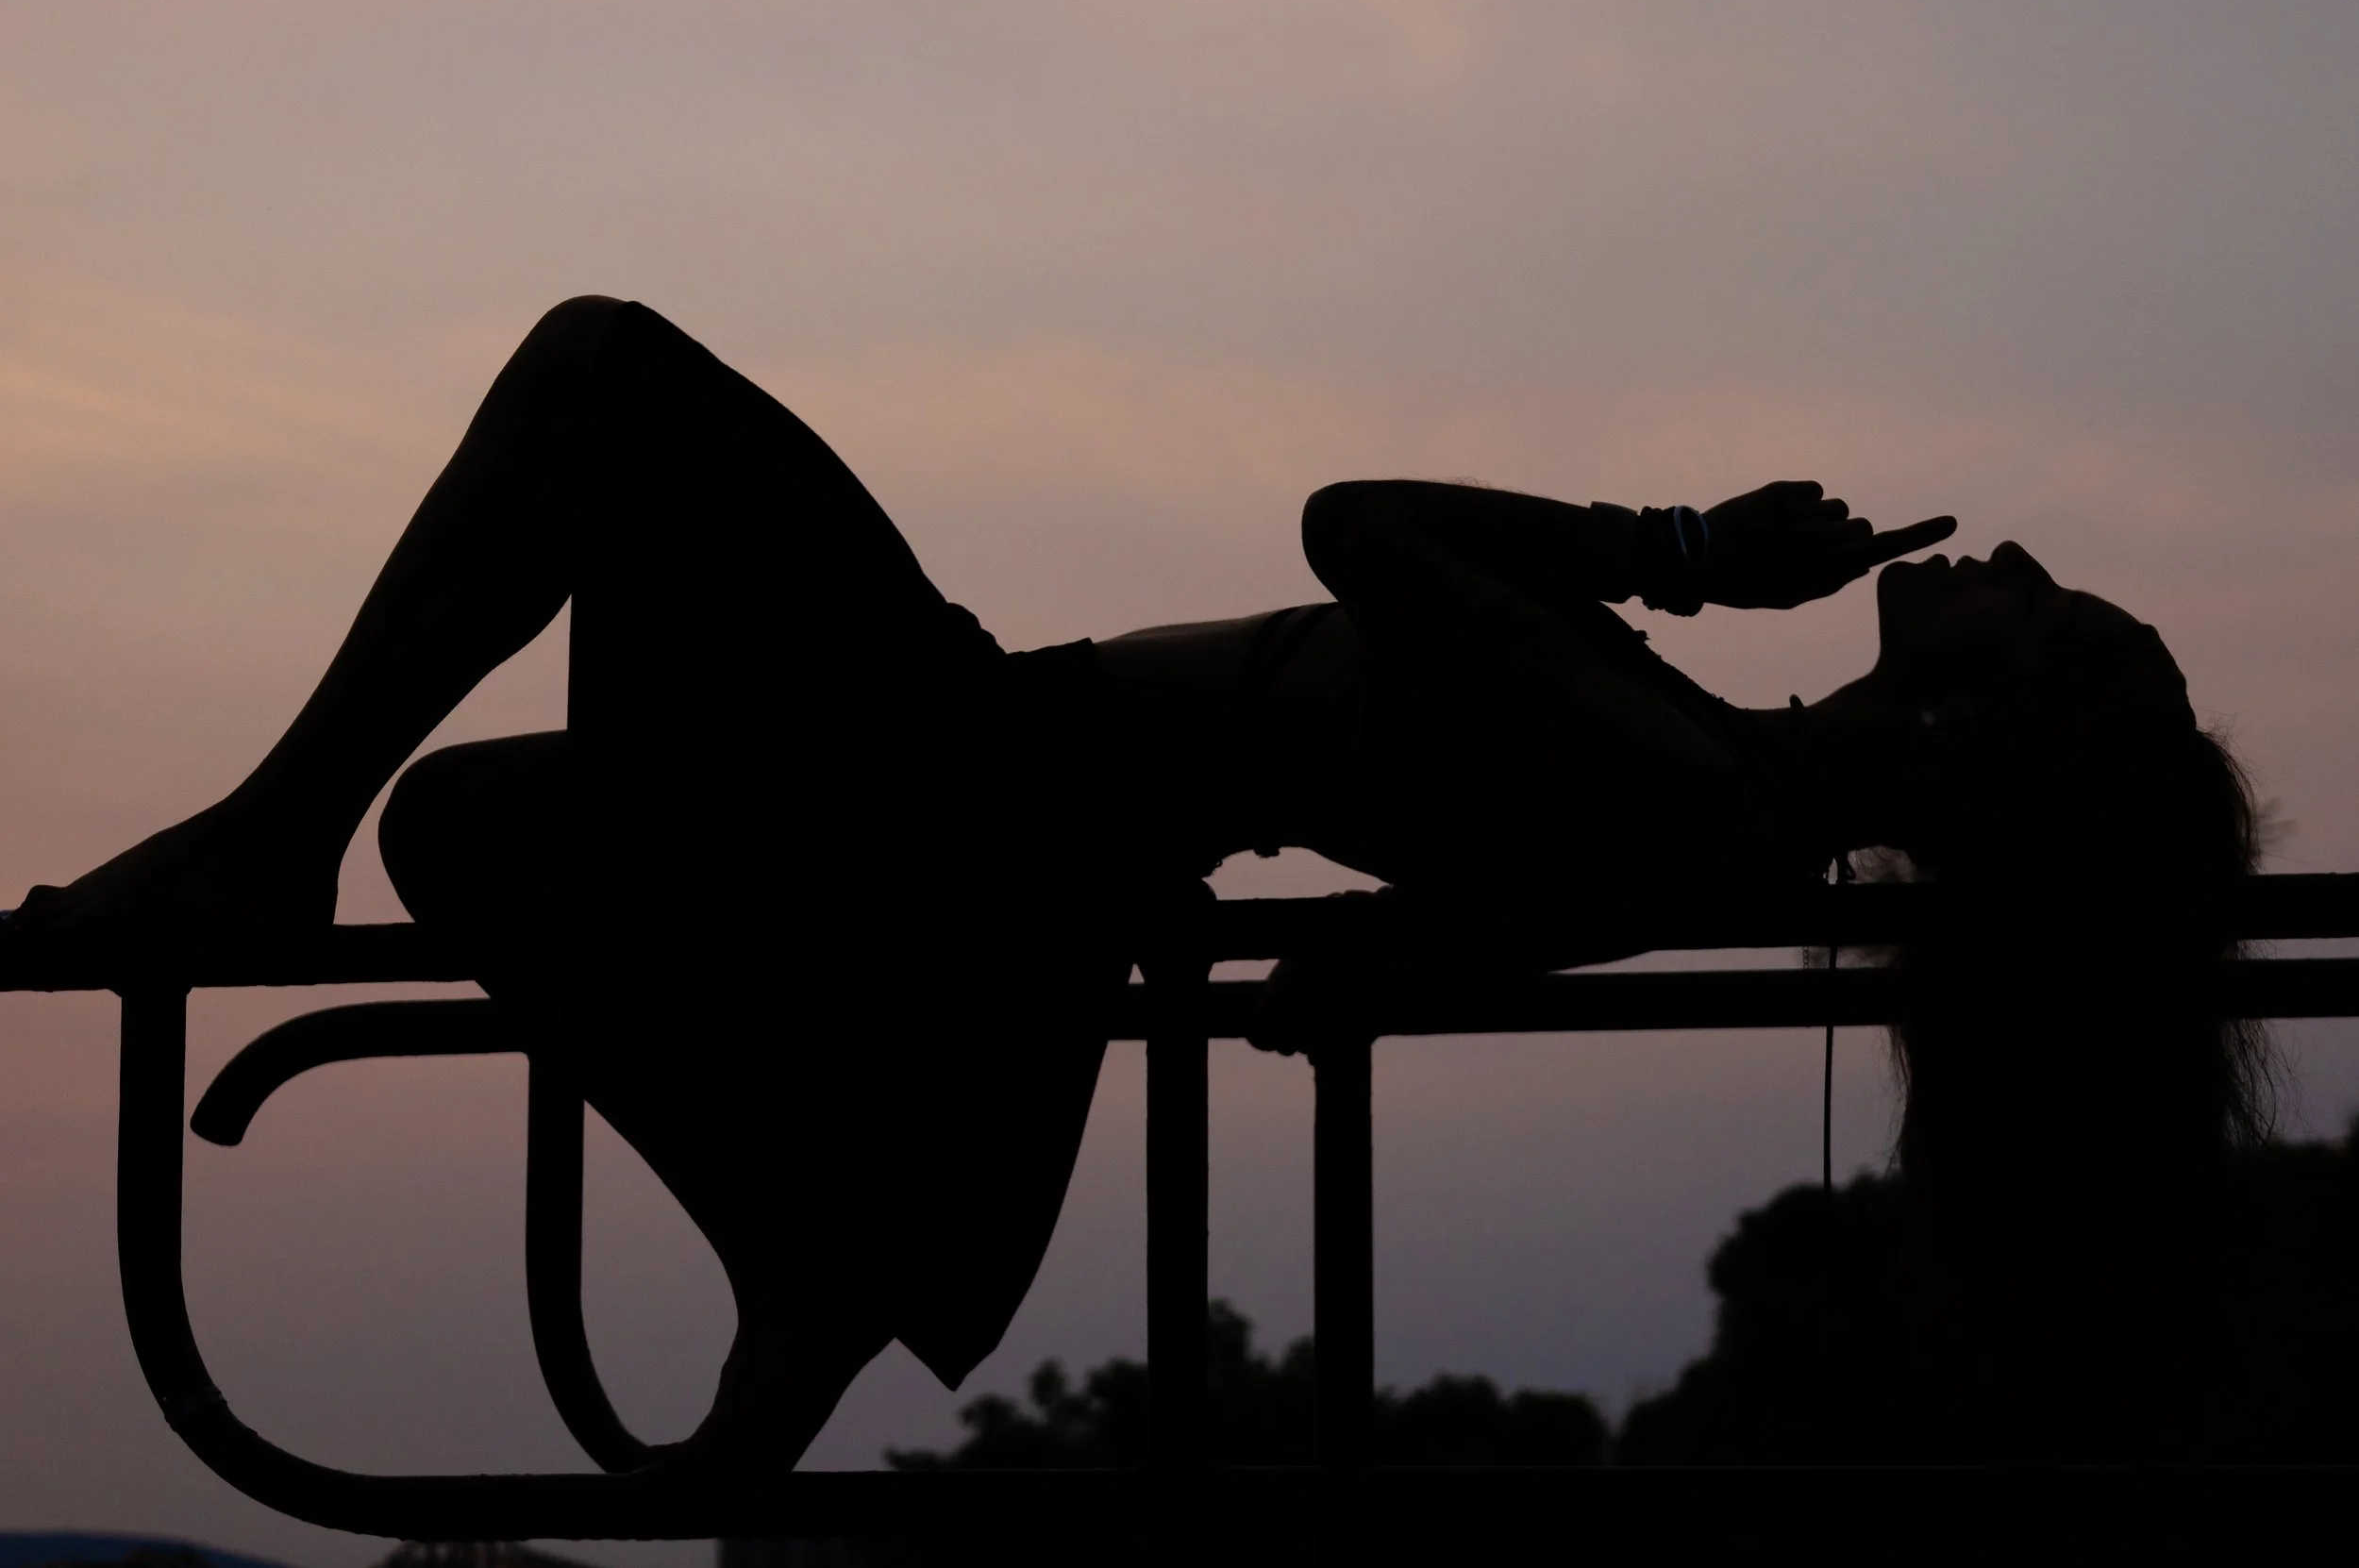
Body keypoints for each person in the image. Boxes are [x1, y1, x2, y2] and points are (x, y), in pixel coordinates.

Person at [3, 296, 2258, 1467]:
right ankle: (786, 1259)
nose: (2020, 568)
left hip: (988, 783)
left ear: (1984, 732)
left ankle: (260, 833)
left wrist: (1679, 552)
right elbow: (1407, 929)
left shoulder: (1686, 792)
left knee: (601, 375)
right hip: (1001, 762)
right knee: (471, 835)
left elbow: (1349, 525)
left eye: (2045, 615)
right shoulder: (1716, 799)